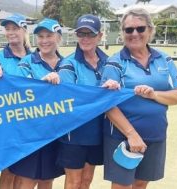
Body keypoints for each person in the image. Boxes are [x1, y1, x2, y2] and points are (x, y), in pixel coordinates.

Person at [101, 8, 177, 189]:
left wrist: (154, 94)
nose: (134, 33)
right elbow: (107, 103)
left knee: (140, 185)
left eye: (140, 28)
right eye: (129, 30)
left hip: (155, 134)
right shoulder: (115, 62)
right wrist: (132, 135)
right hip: (122, 137)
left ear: (150, 30)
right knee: (122, 186)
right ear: (123, 33)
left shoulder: (164, 59)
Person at [9, 18, 64, 189]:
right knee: (26, 181)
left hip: (55, 132)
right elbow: (22, 92)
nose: (45, 40)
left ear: (59, 38)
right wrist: (43, 83)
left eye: (49, 35)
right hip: (30, 132)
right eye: (40, 36)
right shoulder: (27, 61)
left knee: (47, 180)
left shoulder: (67, 64)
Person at [56, 14, 108, 189]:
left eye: (90, 34)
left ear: (100, 36)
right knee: (74, 182)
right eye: (81, 34)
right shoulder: (68, 63)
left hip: (98, 132)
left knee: (86, 180)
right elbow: (71, 98)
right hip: (74, 134)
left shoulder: (108, 62)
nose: (85, 38)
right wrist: (102, 94)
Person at [0, 13, 32, 189]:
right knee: (8, 171)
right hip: (7, 124)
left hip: (30, 123)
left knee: (25, 173)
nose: (11, 32)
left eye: (15, 28)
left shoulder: (34, 56)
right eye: (7, 29)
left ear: (24, 30)